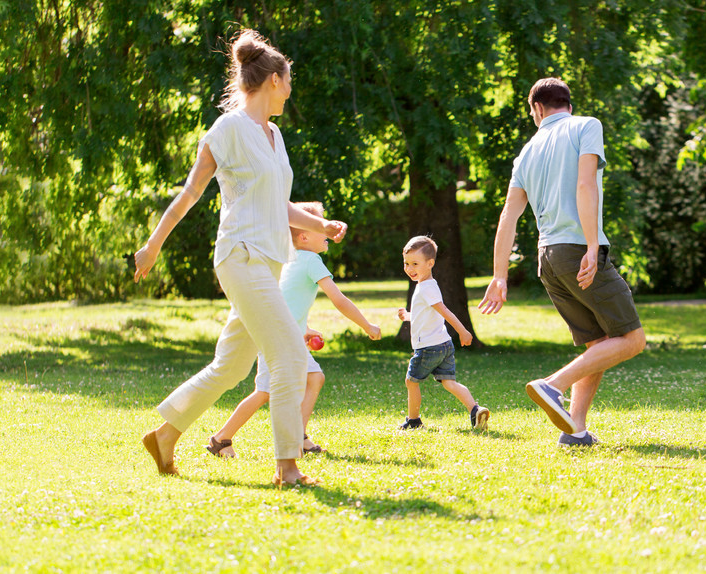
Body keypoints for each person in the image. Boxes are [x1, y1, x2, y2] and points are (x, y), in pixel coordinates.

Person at [134, 29, 346, 486]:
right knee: (289, 357)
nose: (290, 90)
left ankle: (165, 435)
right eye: (288, 81)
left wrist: (319, 226)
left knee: (231, 366)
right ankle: (287, 466)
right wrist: (153, 244)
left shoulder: (275, 136)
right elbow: (191, 192)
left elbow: (279, 203)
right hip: (240, 256)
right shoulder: (229, 128)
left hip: (267, 262)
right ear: (272, 79)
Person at [477, 77, 646, 447]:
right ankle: (552, 386)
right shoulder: (587, 125)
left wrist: (499, 275)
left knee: (598, 342)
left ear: (538, 109)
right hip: (577, 249)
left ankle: (576, 430)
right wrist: (591, 245)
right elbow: (586, 185)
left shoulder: (527, 151)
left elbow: (508, 215)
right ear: (566, 102)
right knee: (632, 339)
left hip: (547, 259)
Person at [206, 201, 382, 458]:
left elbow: (287, 300)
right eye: (320, 226)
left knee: (314, 377)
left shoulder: (288, 260)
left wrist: (304, 328)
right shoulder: (311, 260)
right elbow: (339, 299)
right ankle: (221, 438)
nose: (326, 232)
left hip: (282, 333)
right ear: (304, 235)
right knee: (264, 392)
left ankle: (298, 435)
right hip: (275, 336)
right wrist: (367, 325)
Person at [396, 236, 490, 431]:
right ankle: (475, 410)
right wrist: (407, 316)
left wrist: (463, 331)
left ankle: (413, 421)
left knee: (411, 382)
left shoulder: (426, 287)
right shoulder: (427, 285)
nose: (409, 268)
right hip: (444, 345)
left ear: (430, 263)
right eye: (406, 263)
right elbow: (425, 314)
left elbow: (444, 311)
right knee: (449, 382)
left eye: (415, 263)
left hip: (428, 347)